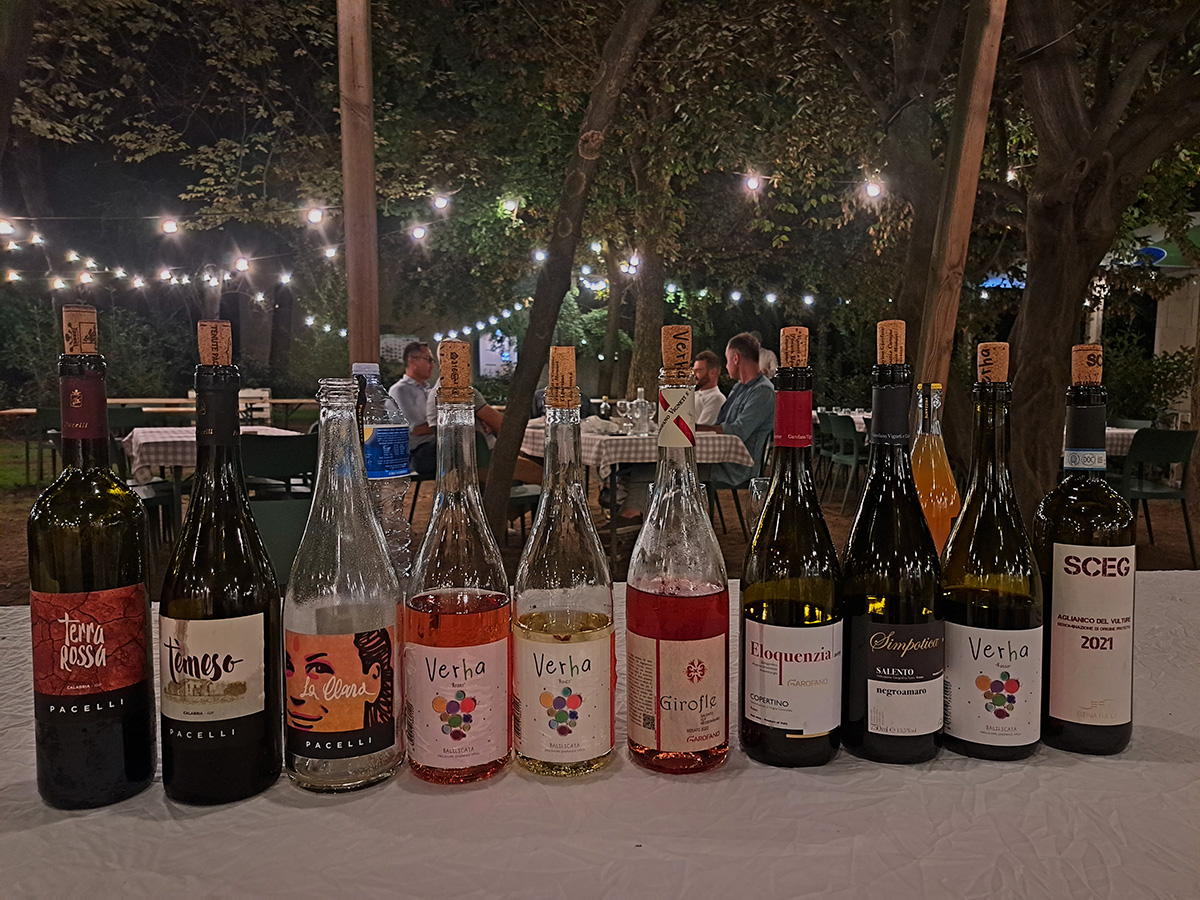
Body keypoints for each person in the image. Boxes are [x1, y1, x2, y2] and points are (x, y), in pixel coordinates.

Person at [697, 332, 775, 486]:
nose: (726, 366)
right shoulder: (739, 387)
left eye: (727, 360)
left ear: (735, 359)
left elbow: (738, 431)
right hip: (720, 459)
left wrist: (696, 428)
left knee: (673, 469)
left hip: (736, 469)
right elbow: (722, 423)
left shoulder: (763, 392)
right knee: (669, 464)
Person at [388, 341, 437, 478]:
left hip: (433, 445)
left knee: (468, 444)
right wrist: (450, 426)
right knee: (461, 447)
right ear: (412, 362)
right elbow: (417, 429)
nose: (432, 365)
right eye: (428, 360)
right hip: (416, 453)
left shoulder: (428, 390)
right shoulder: (400, 390)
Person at [692, 350, 726, 426]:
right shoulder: (693, 395)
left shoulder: (716, 398)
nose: (694, 375)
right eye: (694, 371)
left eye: (698, 371)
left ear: (713, 372)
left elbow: (703, 429)